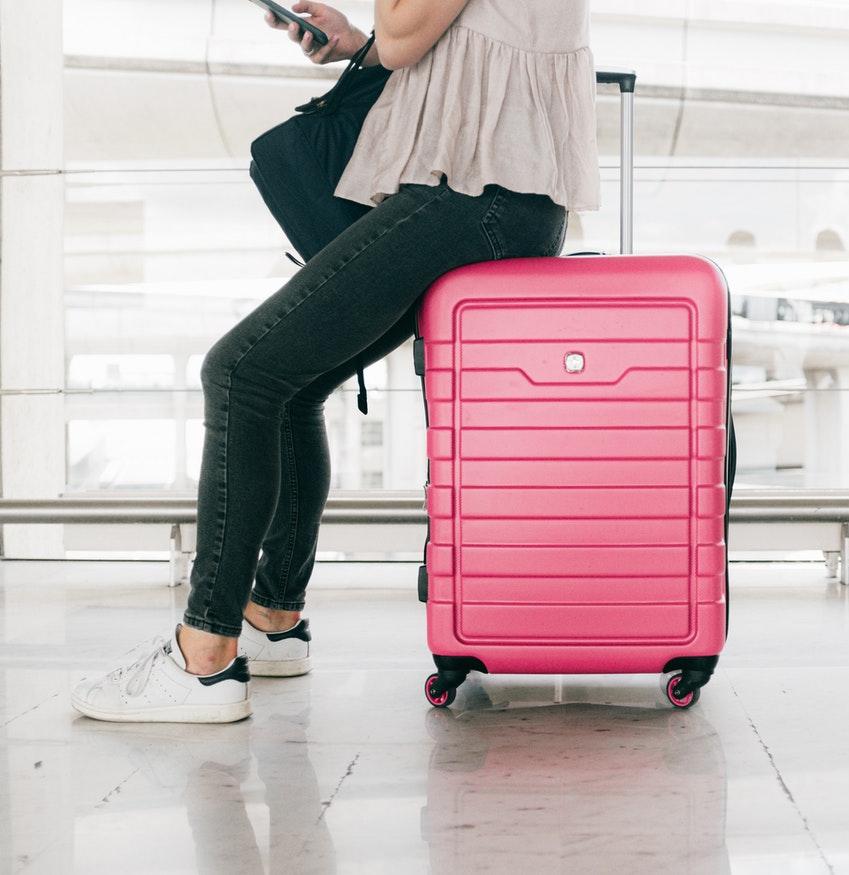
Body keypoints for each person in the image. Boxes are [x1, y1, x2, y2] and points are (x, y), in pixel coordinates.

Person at [71, 0, 599, 723]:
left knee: (241, 372)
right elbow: (428, 34)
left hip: (472, 197)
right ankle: (271, 616)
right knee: (289, 385)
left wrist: (387, 35)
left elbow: (410, 34)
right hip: (494, 197)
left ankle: (202, 657)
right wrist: (357, 43)